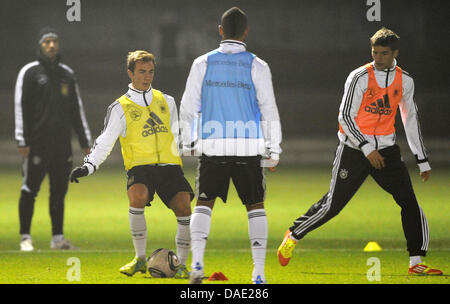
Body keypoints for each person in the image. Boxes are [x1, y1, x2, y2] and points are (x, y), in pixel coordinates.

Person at [277, 27, 443, 276]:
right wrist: (366, 148)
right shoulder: (359, 77)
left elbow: (410, 119)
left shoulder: (405, 80)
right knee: (333, 205)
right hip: (353, 149)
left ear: (395, 53)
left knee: (409, 202)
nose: (378, 58)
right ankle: (294, 234)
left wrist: (422, 159)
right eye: (374, 52)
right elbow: (345, 117)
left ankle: (416, 262)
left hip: (386, 151)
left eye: (384, 53)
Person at [179, 7, 282, 284]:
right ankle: (258, 273)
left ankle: (197, 264)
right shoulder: (257, 65)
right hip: (248, 146)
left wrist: (187, 140)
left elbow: (188, 105)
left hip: (213, 144)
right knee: (255, 206)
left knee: (203, 202)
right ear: (246, 32)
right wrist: (274, 150)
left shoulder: (203, 63)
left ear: (220, 31)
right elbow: (268, 108)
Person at [69, 50, 194, 278]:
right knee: (137, 197)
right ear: (130, 73)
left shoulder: (167, 101)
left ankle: (182, 264)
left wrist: (194, 147)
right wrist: (89, 165)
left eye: (151, 72)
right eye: (142, 72)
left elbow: (181, 134)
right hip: (140, 167)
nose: (147, 77)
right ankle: (140, 259)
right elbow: (105, 141)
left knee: (185, 207)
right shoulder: (120, 107)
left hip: (170, 166)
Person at [14, 27, 92, 251]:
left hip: (61, 145)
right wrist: (22, 139)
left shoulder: (67, 73)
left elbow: (77, 110)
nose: (51, 45)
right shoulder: (29, 72)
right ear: (40, 45)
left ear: (58, 45)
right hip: (36, 144)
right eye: (46, 42)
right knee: (29, 189)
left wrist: (85, 140)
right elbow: (22, 107)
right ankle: (25, 238)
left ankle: (57, 239)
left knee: (59, 191)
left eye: (54, 42)